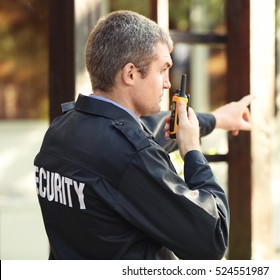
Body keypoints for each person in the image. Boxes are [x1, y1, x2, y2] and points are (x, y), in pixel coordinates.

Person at [34, 10, 254, 260]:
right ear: (130, 74)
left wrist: (217, 119)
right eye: (162, 70)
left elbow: (150, 130)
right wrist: (192, 152)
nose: (167, 83)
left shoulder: (61, 130)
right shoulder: (131, 156)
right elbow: (212, 239)